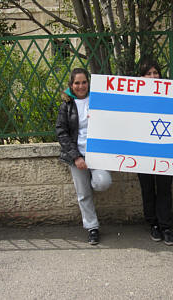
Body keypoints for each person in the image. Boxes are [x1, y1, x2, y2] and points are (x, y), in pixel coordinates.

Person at [56, 68, 112, 245]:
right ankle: (92, 227)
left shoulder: (98, 99)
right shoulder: (67, 105)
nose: (81, 86)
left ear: (89, 82)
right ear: (71, 85)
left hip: (97, 153)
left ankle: (89, 182)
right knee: (83, 195)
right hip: (77, 155)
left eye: (84, 82)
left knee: (103, 182)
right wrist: (76, 157)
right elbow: (62, 132)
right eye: (77, 83)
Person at [137, 60, 173, 246]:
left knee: (164, 188)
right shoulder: (134, 97)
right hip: (142, 150)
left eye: (156, 73)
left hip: (165, 149)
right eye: (148, 73)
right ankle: (152, 223)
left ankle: (166, 226)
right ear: (141, 77)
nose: (153, 77)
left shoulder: (170, 95)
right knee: (147, 188)